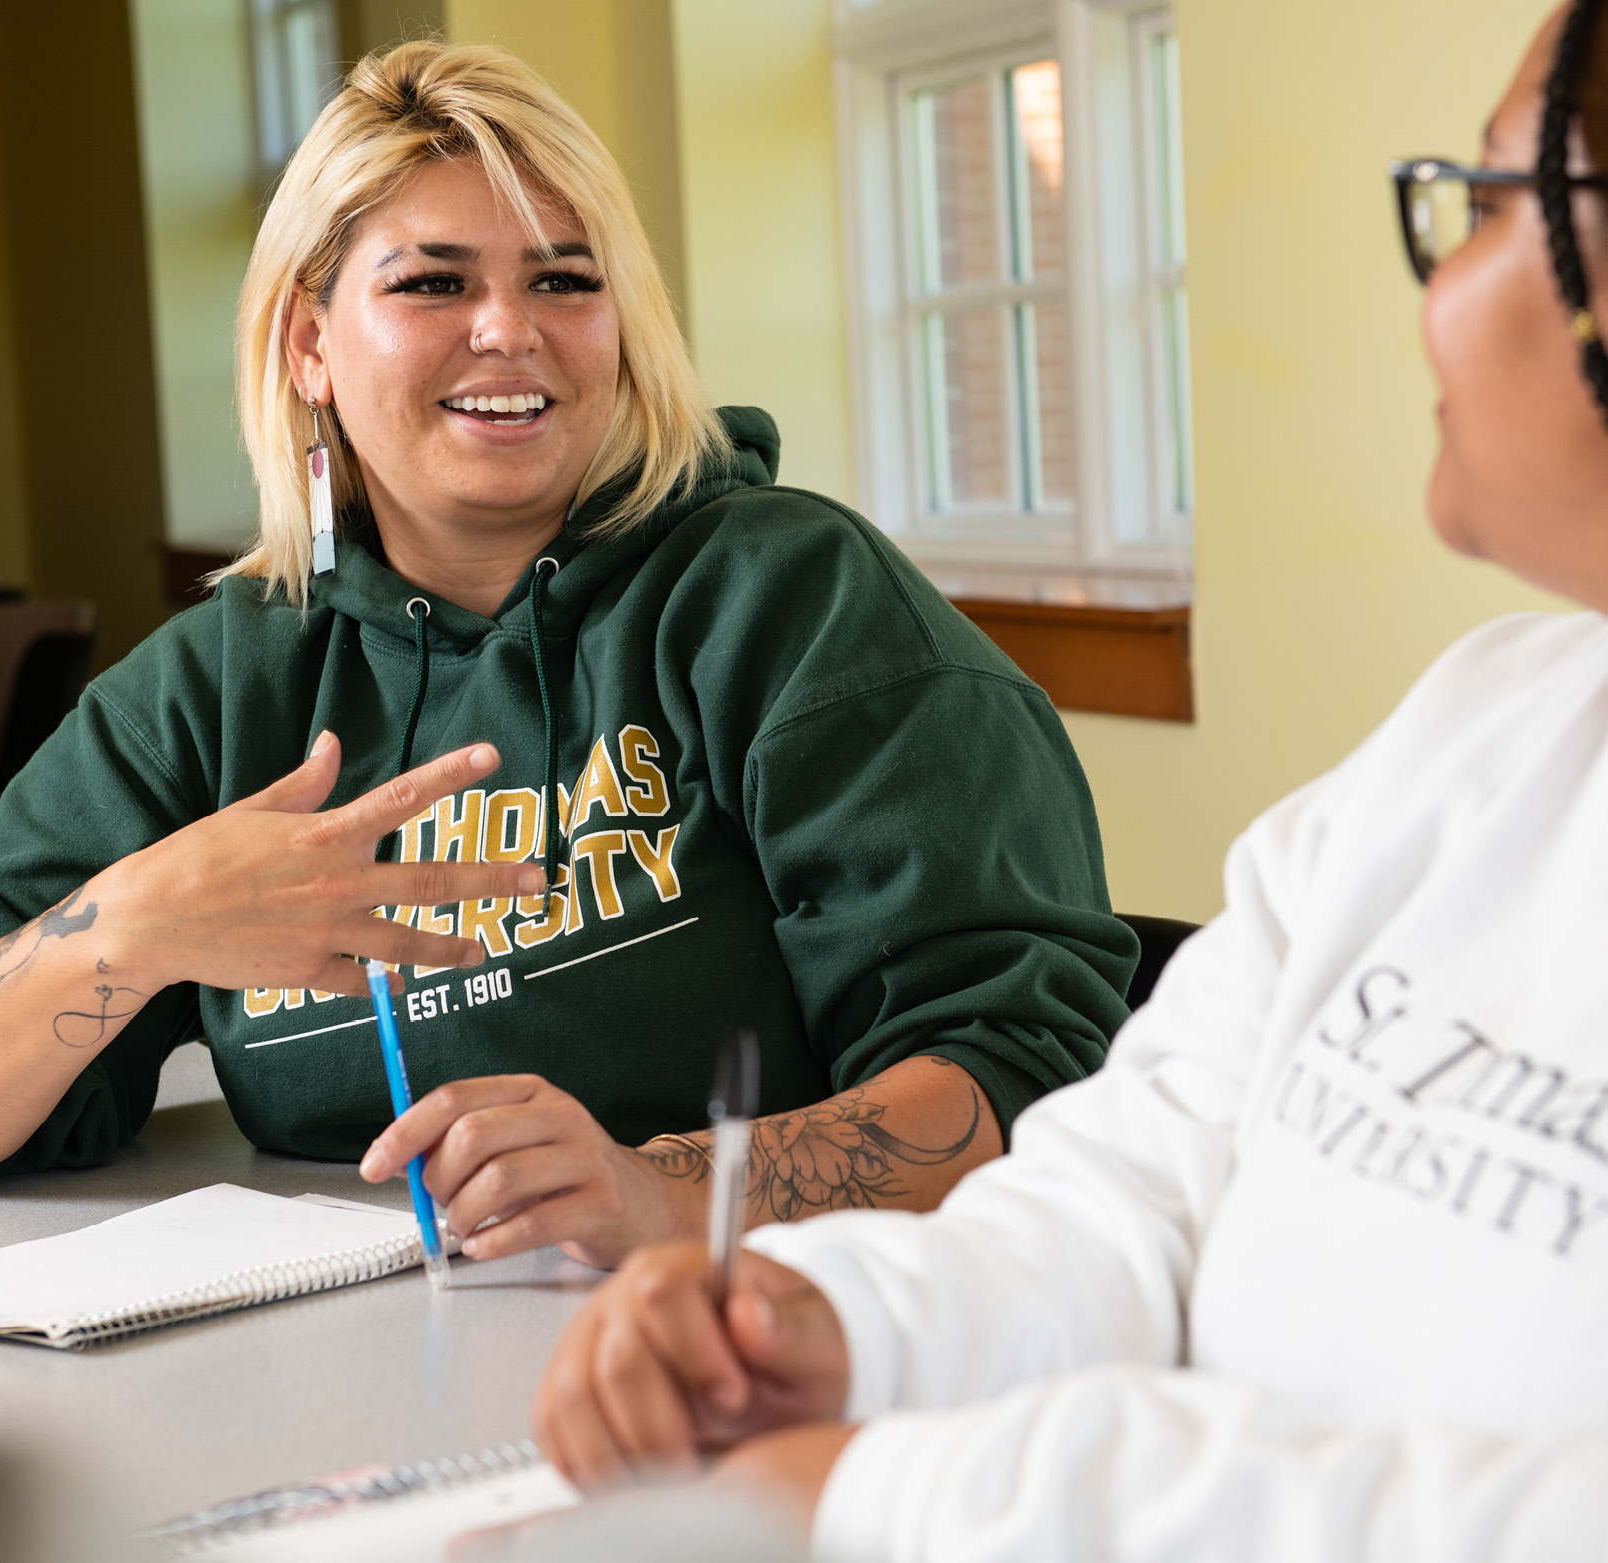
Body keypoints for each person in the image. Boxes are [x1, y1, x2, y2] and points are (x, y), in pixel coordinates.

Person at [533, 2, 1608, 1552]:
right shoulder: (1474, 727)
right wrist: (823, 1324)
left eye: (1491, 195)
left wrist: (887, 1491)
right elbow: (1120, 1201)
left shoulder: (790, 596)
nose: (1437, 276)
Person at [0, 43, 1136, 1270]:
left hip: (763, 1337)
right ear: (309, 343)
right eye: (431, 285)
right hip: (348, 1371)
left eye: (565, 280)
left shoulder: (790, 601)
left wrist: (665, 1191)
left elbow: (1025, 1075)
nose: (508, 332)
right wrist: (126, 928)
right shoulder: (213, 689)